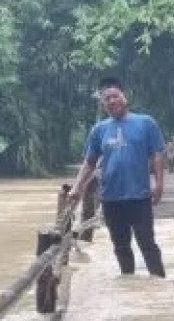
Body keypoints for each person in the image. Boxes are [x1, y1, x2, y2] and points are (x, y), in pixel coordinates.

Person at [70, 77, 167, 277]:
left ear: (125, 97)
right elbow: (90, 162)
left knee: (147, 244)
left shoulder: (146, 123)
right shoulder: (99, 130)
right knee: (121, 246)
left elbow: (157, 155)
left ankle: (158, 282)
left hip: (139, 196)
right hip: (111, 199)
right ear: (103, 104)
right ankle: (128, 285)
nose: (112, 101)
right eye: (107, 99)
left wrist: (159, 184)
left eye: (115, 96)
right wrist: (77, 187)